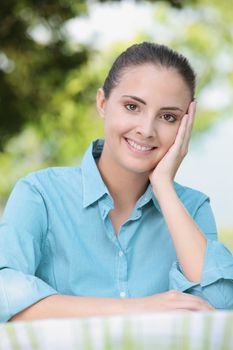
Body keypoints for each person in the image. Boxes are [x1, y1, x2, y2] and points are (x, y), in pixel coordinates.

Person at [0, 42, 233, 323]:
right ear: (102, 103)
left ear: (185, 126)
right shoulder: (41, 194)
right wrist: (138, 308)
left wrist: (163, 186)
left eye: (168, 117)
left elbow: (220, 307)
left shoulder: (192, 208)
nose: (146, 130)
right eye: (132, 106)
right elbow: (5, 292)